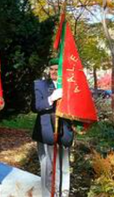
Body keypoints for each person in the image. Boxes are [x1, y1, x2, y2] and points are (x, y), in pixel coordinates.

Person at [32, 59, 74, 197]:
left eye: (57, 69)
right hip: (46, 131)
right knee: (48, 168)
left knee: (65, 168)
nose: (54, 72)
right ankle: (49, 194)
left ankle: (64, 193)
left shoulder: (70, 86)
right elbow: (36, 106)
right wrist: (51, 99)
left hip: (65, 132)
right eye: (52, 69)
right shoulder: (40, 85)